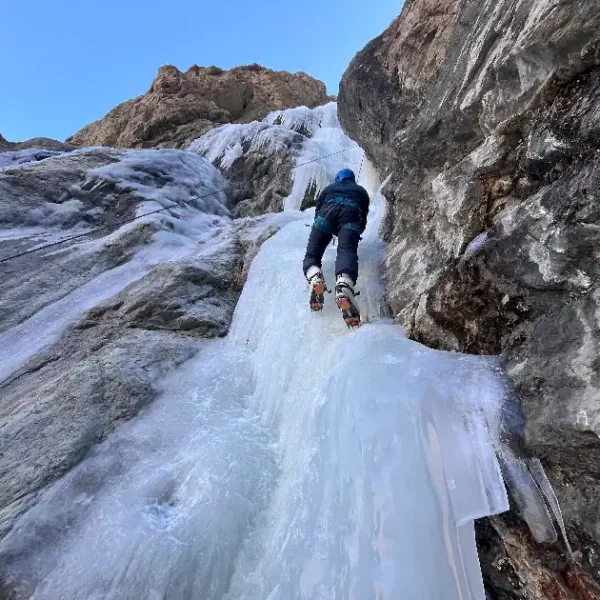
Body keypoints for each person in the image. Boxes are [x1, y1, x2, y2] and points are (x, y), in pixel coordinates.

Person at [302, 168, 370, 327]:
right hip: (351, 214)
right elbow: (363, 216)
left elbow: (318, 210)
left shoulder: (329, 189)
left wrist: (323, 230)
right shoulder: (360, 191)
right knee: (346, 250)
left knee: (312, 255)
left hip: (325, 214)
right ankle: (344, 284)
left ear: (338, 179)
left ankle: (315, 277)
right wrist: (353, 233)